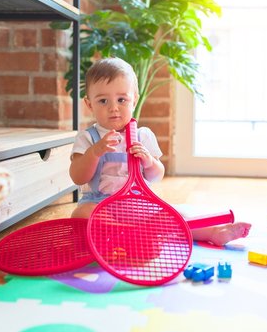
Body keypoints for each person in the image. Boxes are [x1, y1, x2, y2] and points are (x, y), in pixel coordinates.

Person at [69, 57, 251, 246]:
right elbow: (78, 177)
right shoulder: (87, 138)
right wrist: (94, 152)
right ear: (89, 104)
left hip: (137, 204)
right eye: (103, 101)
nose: (113, 107)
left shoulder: (142, 136)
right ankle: (125, 234)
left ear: (134, 101)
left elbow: (156, 175)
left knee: (174, 215)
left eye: (122, 99)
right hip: (100, 206)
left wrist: (148, 161)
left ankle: (213, 232)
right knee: (81, 214)